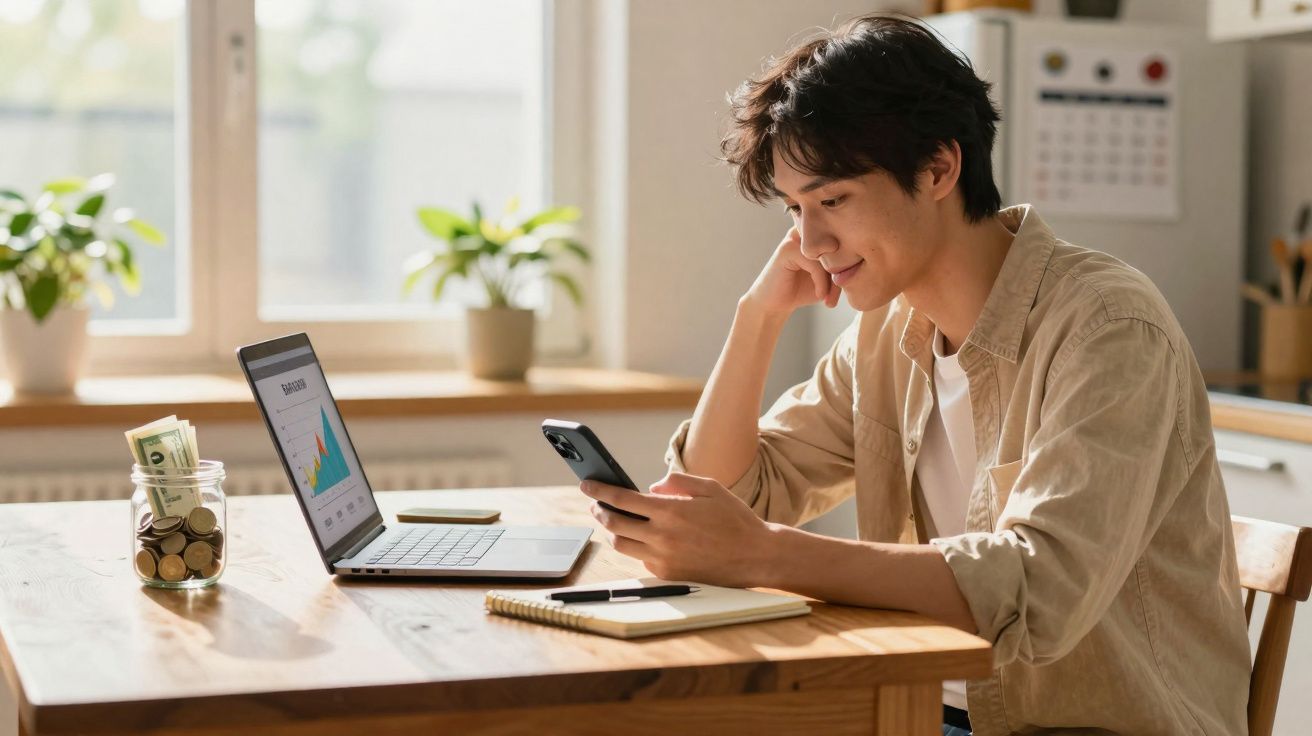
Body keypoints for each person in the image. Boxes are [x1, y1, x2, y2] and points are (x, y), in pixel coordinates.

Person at [578, 13, 1250, 735]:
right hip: (916, 707)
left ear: (937, 169)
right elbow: (732, 497)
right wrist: (757, 317)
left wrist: (764, 554)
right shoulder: (885, 335)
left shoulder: (1107, 327)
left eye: (832, 200)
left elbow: (1040, 589)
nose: (810, 241)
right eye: (794, 209)